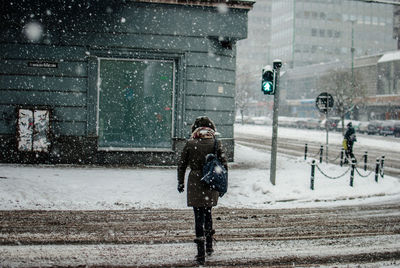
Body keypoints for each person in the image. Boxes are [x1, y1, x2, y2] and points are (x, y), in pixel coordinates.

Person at [177, 116, 228, 265]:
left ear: (195, 129)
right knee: (208, 212)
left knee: (198, 216)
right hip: (211, 181)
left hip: (195, 181)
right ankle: (209, 246)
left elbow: (181, 165)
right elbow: (224, 165)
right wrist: (223, 185)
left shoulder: (190, 143)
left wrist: (180, 182)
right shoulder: (215, 143)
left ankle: (200, 254)